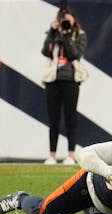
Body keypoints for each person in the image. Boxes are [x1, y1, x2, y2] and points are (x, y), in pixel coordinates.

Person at [41, 7, 87, 165]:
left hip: (71, 80)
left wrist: (66, 37)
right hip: (52, 80)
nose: (66, 22)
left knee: (70, 118)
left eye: (68, 19)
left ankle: (71, 155)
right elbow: (45, 51)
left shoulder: (79, 35)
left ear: (74, 20)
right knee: (53, 119)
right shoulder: (53, 34)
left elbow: (74, 55)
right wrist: (52, 32)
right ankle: (52, 155)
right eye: (63, 20)